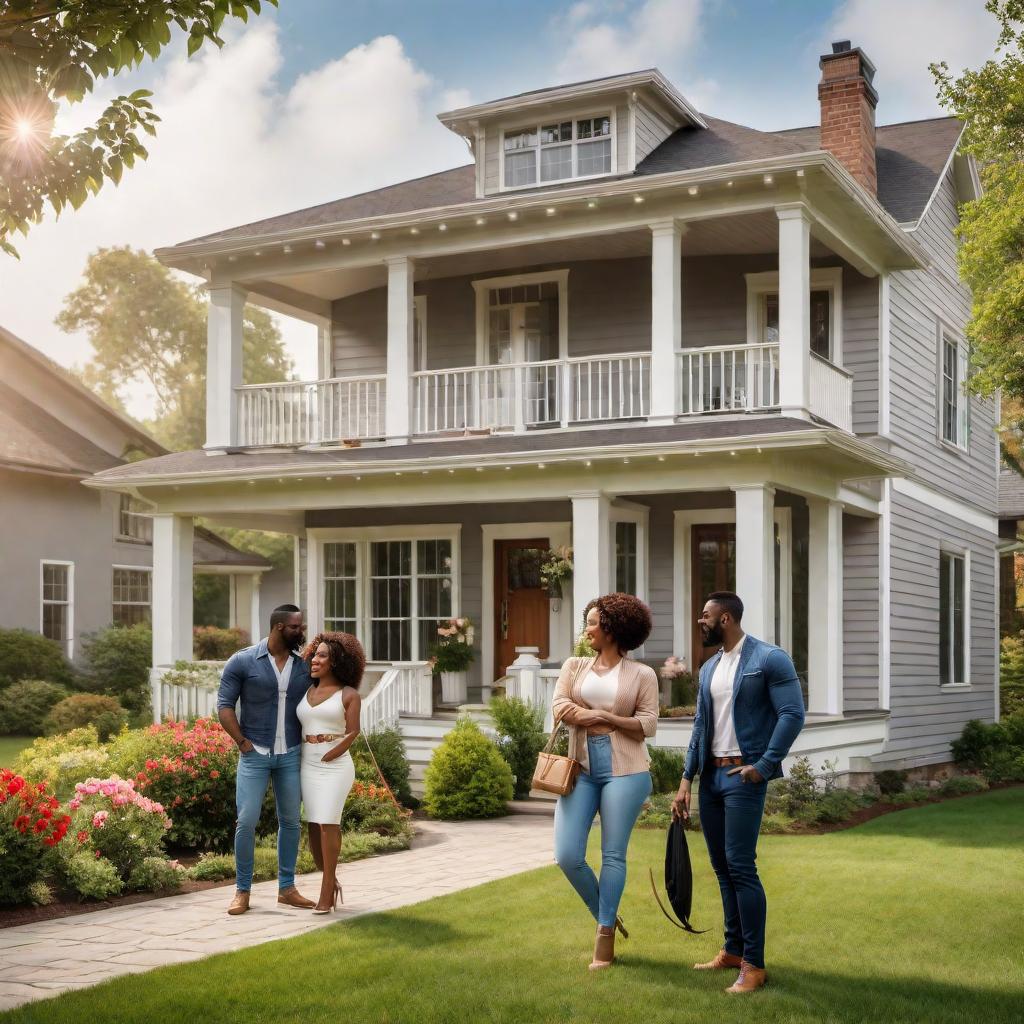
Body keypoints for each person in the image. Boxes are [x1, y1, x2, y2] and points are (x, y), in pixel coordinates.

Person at [672, 591, 805, 994]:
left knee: (741, 867)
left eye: (705, 616)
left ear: (725, 618)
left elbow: (792, 713)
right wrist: (685, 780)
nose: (701, 622)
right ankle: (732, 951)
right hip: (711, 779)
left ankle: (754, 965)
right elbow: (699, 726)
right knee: (722, 869)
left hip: (743, 778)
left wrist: (764, 766)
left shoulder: (769, 659)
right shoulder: (709, 668)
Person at [551, 593, 659, 971]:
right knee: (567, 855)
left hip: (626, 771)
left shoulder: (642, 674)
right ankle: (608, 915)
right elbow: (560, 707)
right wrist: (603, 714)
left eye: (594, 623)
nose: (588, 629)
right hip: (580, 768)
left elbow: (647, 724)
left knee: (613, 854)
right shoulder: (575, 665)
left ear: (613, 629)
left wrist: (610, 721)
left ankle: (604, 938)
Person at [216, 604, 315, 915]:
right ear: (278, 628)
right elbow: (224, 707)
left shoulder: (303, 666)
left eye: (302, 626)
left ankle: (287, 888)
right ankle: (242, 891)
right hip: (254, 754)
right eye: (296, 627)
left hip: (290, 756)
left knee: (290, 821)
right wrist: (243, 743)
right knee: (246, 822)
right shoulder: (243, 661)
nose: (302, 632)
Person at [297, 631, 362, 913]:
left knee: (327, 823)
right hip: (307, 763)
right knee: (313, 826)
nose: (315, 659)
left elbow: (353, 731)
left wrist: (334, 751)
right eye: (315, 654)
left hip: (335, 766)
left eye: (322, 655)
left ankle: (325, 892)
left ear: (336, 662)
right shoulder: (306, 691)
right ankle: (331, 880)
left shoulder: (348, 694)